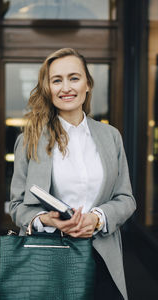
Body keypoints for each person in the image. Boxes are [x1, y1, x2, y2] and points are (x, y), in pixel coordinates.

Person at [9, 48, 136, 300]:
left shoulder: (111, 137)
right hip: (49, 259)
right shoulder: (29, 140)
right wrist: (47, 220)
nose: (65, 87)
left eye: (74, 78)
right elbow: (16, 206)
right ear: (48, 88)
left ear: (87, 84)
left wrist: (97, 219)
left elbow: (126, 199)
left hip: (102, 258)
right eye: (57, 80)